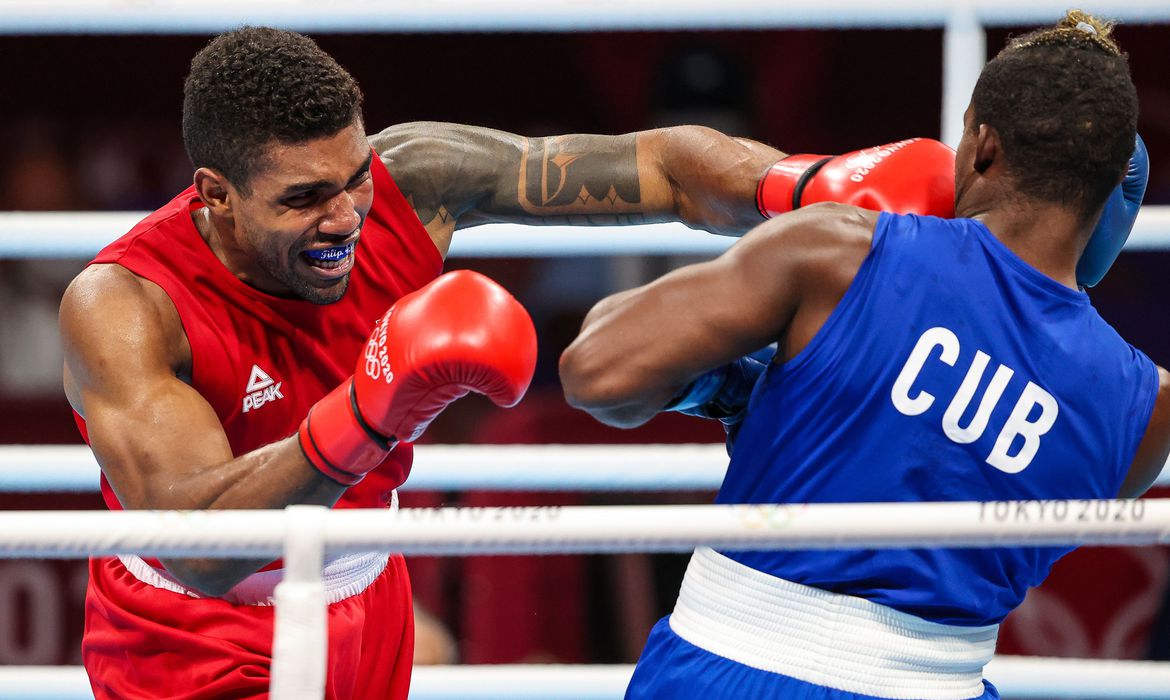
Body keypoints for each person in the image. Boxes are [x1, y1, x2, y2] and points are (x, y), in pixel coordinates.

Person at [55, 25, 960, 699]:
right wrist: (372, 409)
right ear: (214, 194)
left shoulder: (419, 181)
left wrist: (799, 188)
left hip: (368, 591)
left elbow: (665, 168)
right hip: (193, 636)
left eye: (355, 176)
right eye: (304, 198)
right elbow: (199, 547)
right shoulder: (127, 305)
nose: (345, 218)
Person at [560, 11, 1168, 699]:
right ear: (1113, 186)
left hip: (728, 668)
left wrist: (730, 390)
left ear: (984, 148)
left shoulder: (840, 250)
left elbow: (596, 370)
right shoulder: (1147, 410)